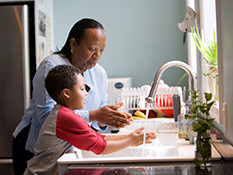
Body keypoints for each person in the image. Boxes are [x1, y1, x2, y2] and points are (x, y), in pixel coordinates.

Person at [12, 18, 132, 175]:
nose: (97, 55)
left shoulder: (99, 73)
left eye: (102, 50)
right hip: (33, 145)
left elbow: (97, 123)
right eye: (92, 49)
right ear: (73, 44)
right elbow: (47, 117)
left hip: (69, 147)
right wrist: (95, 115)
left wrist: (108, 119)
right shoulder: (52, 65)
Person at [23, 65, 156, 175]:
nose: (86, 93)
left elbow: (98, 137)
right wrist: (131, 141)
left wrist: (129, 136)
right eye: (82, 89)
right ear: (67, 93)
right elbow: (101, 147)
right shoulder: (65, 117)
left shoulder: (65, 113)